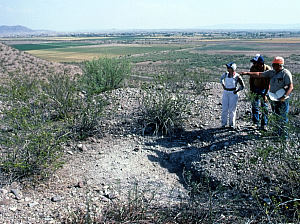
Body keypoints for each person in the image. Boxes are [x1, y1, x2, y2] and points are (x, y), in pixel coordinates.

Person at [241, 56, 293, 138]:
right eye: (273, 64)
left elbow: (290, 86)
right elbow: (259, 74)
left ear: (280, 65)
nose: (273, 66)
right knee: (276, 114)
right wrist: (247, 73)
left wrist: (284, 96)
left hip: (282, 98)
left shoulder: (285, 73)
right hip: (274, 97)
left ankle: (283, 136)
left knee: (282, 116)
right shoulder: (272, 72)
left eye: (274, 64)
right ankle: (276, 132)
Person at [249, 54, 271, 130]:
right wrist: (251, 90)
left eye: (255, 62)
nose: (254, 64)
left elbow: (269, 83)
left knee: (264, 107)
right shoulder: (253, 68)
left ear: (260, 63)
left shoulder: (267, 69)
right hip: (255, 88)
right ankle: (255, 122)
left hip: (264, 89)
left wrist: (265, 94)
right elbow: (251, 80)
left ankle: (264, 124)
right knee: (255, 106)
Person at [220, 62, 245, 129]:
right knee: (224, 109)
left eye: (229, 68)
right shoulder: (225, 74)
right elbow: (221, 79)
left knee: (232, 110)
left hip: (233, 93)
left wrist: (237, 91)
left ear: (232, 69)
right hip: (226, 92)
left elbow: (242, 86)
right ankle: (223, 124)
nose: (227, 69)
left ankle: (231, 124)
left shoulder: (237, 76)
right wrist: (223, 85)